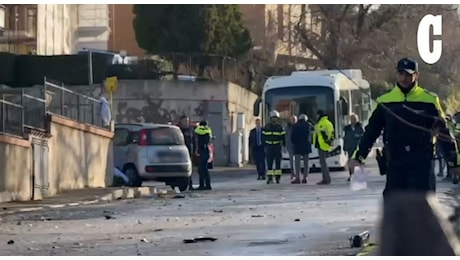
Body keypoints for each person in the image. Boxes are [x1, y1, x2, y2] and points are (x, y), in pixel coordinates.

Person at [348, 58, 460, 200]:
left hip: (421, 163)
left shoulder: (429, 100)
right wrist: (358, 157)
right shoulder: (385, 101)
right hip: (396, 163)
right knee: (394, 208)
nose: (404, 78)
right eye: (401, 74)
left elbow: (443, 133)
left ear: (416, 75)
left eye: (408, 74)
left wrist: (454, 162)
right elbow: (371, 132)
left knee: (424, 208)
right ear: (396, 74)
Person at [262, 110, 286, 184]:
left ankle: (277, 178)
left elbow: (283, 137)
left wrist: (284, 146)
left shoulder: (280, 127)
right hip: (269, 147)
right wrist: (264, 146)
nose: (274, 119)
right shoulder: (266, 127)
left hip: (277, 147)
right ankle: (270, 178)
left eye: (275, 118)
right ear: (270, 118)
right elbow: (263, 137)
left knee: (278, 164)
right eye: (273, 118)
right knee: (269, 164)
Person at [313, 109, 335, 185]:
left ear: (319, 115)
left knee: (323, 163)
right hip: (324, 144)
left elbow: (322, 134)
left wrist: (325, 141)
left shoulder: (322, 123)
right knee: (323, 163)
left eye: (317, 115)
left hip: (322, 145)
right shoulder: (328, 122)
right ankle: (326, 179)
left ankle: (326, 179)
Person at [290, 114, 313, 184]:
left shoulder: (295, 126)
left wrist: (295, 142)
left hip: (297, 146)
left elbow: (292, 137)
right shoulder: (309, 125)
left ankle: (298, 178)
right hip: (306, 146)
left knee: (297, 163)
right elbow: (311, 135)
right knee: (306, 163)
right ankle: (305, 177)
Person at [343, 113, 364, 181]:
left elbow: (363, 136)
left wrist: (359, 136)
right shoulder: (347, 128)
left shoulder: (359, 127)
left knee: (357, 162)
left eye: (354, 119)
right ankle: (351, 175)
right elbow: (345, 138)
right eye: (351, 119)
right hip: (349, 147)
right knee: (350, 162)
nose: (353, 120)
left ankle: (357, 175)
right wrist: (344, 147)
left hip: (357, 147)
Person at [177, 115, 195, 189]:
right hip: (180, 152)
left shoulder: (190, 130)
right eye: (185, 121)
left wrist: (195, 150)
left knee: (189, 168)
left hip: (189, 152)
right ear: (181, 121)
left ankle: (190, 184)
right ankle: (178, 185)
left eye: (187, 121)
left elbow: (193, 140)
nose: (186, 122)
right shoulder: (178, 130)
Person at [194, 120, 213, 190]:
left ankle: (202, 185)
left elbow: (196, 134)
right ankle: (207, 185)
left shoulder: (199, 130)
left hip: (202, 152)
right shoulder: (208, 131)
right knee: (205, 169)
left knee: (202, 169)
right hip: (206, 151)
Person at [285, 115, 297, 180]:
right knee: (291, 160)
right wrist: (285, 144)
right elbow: (285, 135)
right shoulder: (287, 127)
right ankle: (292, 173)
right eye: (292, 120)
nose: (293, 121)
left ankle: (297, 173)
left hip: (297, 145)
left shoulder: (298, 126)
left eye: (294, 120)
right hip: (290, 145)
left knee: (297, 160)